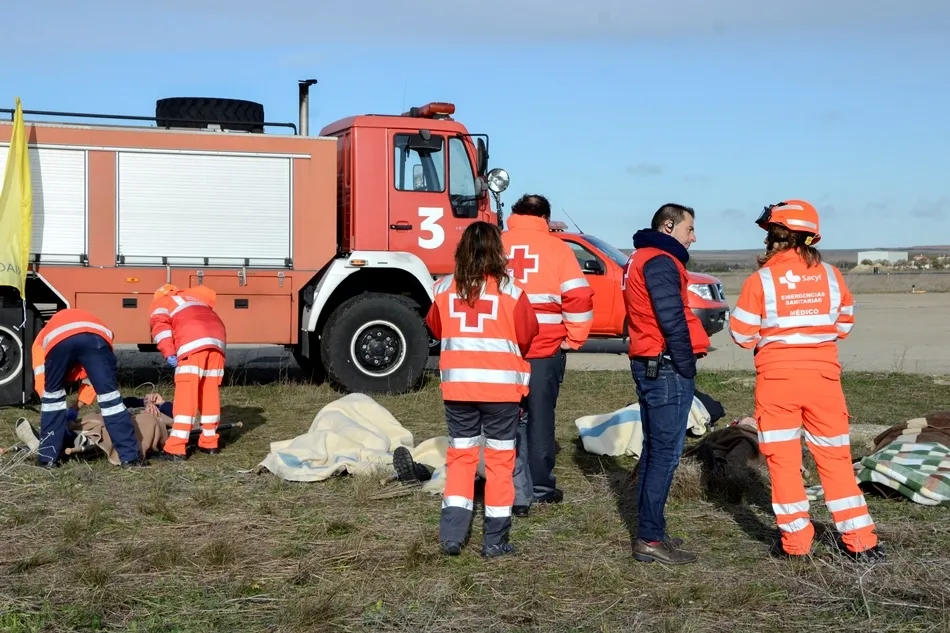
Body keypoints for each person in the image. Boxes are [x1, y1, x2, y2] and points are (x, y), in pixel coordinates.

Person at [729, 200, 884, 562]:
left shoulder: (761, 280)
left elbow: (741, 334)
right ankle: (861, 542)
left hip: (777, 381)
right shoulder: (831, 275)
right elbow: (844, 324)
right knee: (836, 459)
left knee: (783, 462)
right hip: (823, 379)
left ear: (776, 235)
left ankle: (796, 544)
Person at [426, 220, 539, 557]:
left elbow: (435, 327)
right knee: (500, 463)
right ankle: (495, 541)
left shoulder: (443, 288)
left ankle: (452, 535)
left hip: (458, 391)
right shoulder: (512, 292)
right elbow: (527, 334)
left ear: (462, 250)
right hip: (501, 393)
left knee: (460, 459)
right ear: (497, 252)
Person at [623, 203, 710, 565]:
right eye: (690, 229)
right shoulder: (659, 261)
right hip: (665, 366)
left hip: (652, 362)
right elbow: (670, 317)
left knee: (655, 451)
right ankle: (650, 538)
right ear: (669, 226)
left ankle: (652, 529)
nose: (694, 237)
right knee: (665, 455)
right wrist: (686, 365)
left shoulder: (642, 257)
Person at [501, 194, 594, 515]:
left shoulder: (494, 244)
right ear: (545, 217)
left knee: (503, 418)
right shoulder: (558, 249)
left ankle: (504, 484)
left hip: (501, 348)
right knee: (540, 418)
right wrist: (574, 337)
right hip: (544, 348)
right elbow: (579, 296)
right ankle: (540, 487)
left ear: (514, 214)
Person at [30, 308, 145, 468]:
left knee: (52, 400)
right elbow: (95, 381)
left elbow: (43, 385)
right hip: (96, 339)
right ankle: (130, 458)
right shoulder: (92, 325)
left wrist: (59, 416)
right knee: (111, 400)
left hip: (61, 342)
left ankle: (47, 459)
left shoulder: (41, 340)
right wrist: (75, 408)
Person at [149, 283, 227, 460]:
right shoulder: (193, 299)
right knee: (209, 391)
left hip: (192, 342)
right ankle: (209, 442)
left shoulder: (163, 301)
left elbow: (161, 330)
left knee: (187, 393)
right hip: (217, 342)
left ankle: (176, 447)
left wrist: (169, 352)